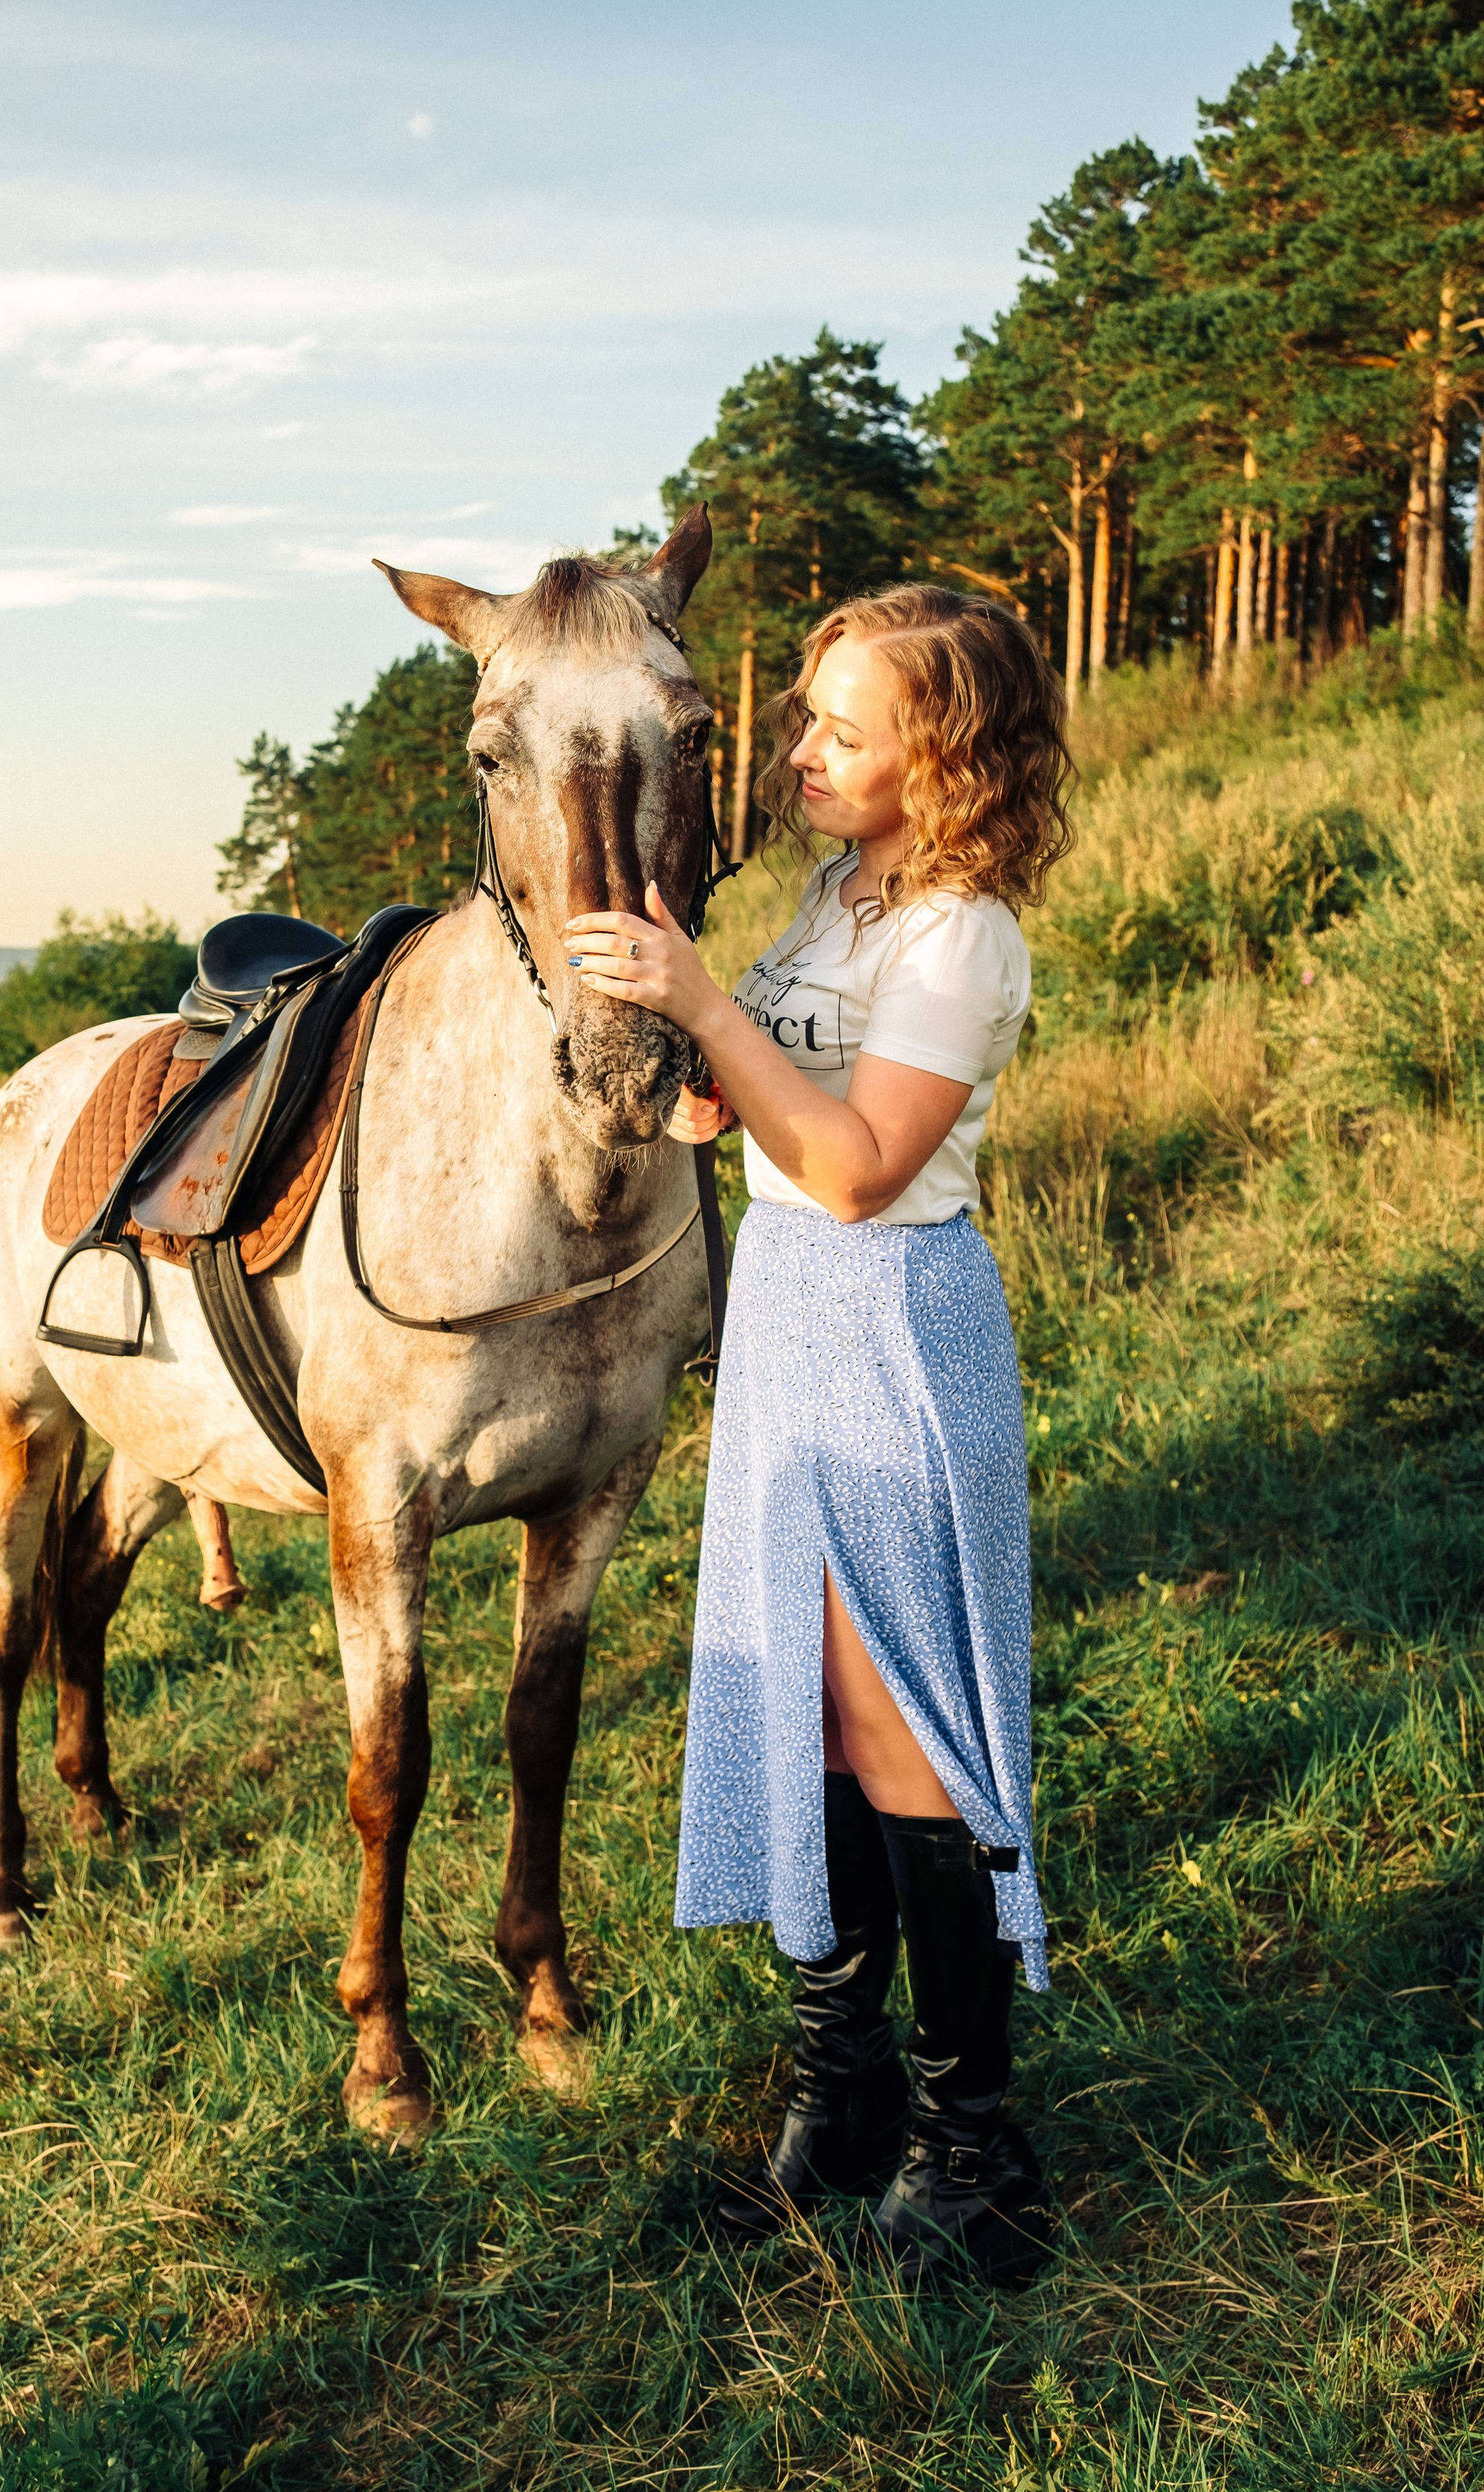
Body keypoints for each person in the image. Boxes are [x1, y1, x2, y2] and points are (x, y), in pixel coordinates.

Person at [563, 582, 1073, 2287]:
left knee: (901, 1727)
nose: (799, 751)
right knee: (826, 1724)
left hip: (888, 1321)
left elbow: (862, 1167)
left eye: (842, 734)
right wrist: (715, 1083)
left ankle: (971, 2155)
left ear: (939, 756)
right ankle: (844, 2105)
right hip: (785, 1314)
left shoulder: (958, 934)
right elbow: (787, 1121)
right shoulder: (838, 893)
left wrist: (713, 1013)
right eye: (802, 720)